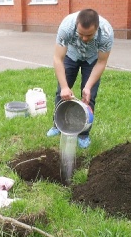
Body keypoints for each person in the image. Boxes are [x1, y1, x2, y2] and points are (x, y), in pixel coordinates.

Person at [47, 9, 114, 148]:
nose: (84, 38)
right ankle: (57, 125)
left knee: (90, 97)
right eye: (81, 34)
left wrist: (88, 87)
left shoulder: (106, 33)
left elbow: (101, 62)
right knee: (61, 93)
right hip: (71, 55)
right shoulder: (66, 27)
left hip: (92, 59)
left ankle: (83, 134)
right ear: (76, 25)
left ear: (97, 27)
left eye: (88, 35)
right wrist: (65, 87)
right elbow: (58, 58)